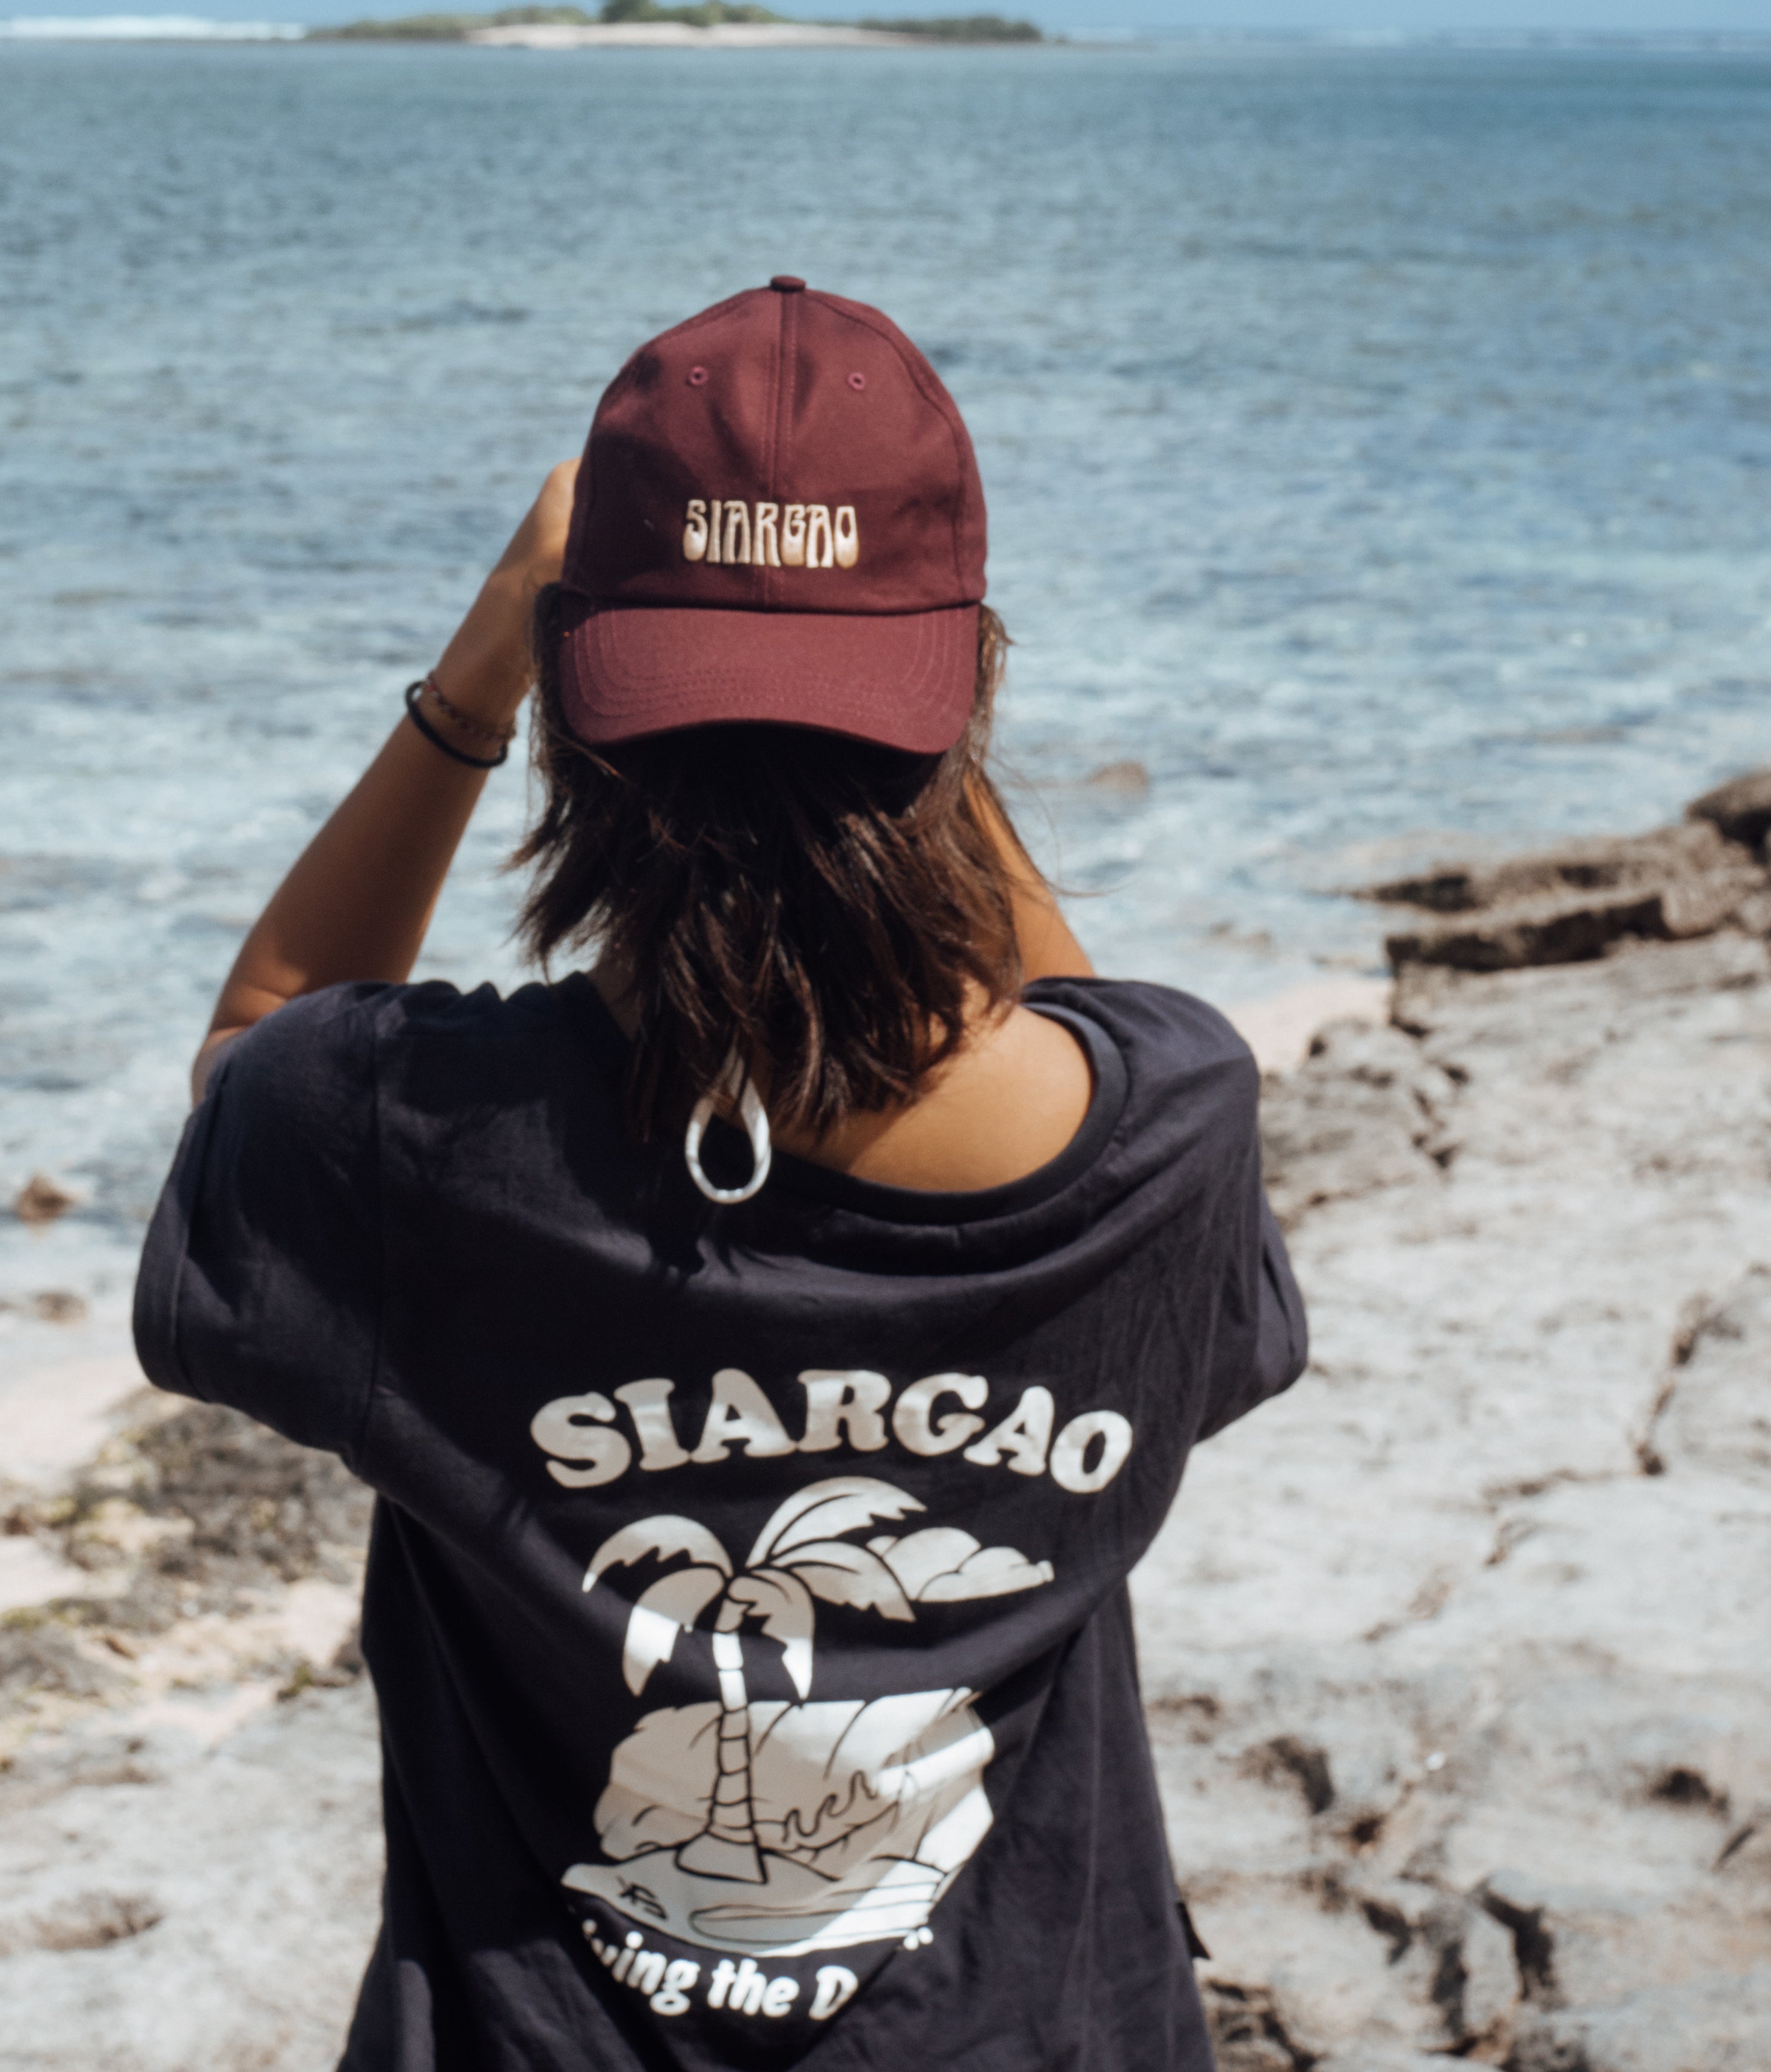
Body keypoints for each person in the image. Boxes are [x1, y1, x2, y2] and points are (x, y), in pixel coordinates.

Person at [137, 278, 1306, 2068]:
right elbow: (1066, 1013)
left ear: (575, 708)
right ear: (964, 685)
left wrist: (472, 675)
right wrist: (900, 703)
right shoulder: (1164, 1129)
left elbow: (254, 1048)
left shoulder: (402, 1138)